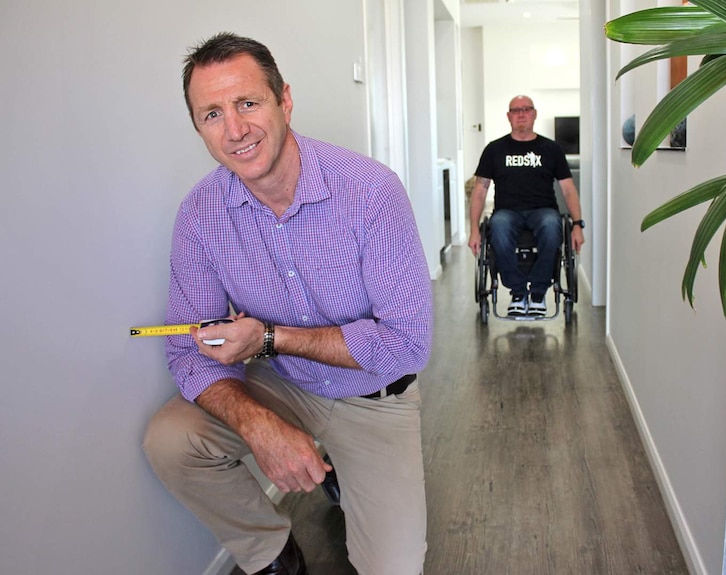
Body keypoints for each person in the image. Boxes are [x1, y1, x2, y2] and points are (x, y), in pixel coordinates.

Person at [142, 32, 432, 575]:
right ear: (198, 127)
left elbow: (406, 343)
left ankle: (340, 469)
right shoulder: (201, 215)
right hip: (282, 383)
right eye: (212, 114)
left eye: (248, 103)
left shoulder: (370, 190)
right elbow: (187, 351)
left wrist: (270, 337)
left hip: (374, 393)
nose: (235, 130)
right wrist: (259, 426)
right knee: (170, 439)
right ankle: (273, 556)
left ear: (285, 100)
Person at [468, 95, 585, 317]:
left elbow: (568, 189)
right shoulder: (494, 150)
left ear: (534, 114)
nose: (521, 114)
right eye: (515, 110)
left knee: (553, 227)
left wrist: (577, 225)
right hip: (506, 211)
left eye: (526, 109)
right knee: (498, 227)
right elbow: (480, 190)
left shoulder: (551, 149)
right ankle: (519, 293)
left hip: (543, 210)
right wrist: (474, 229)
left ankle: (539, 293)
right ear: (508, 116)